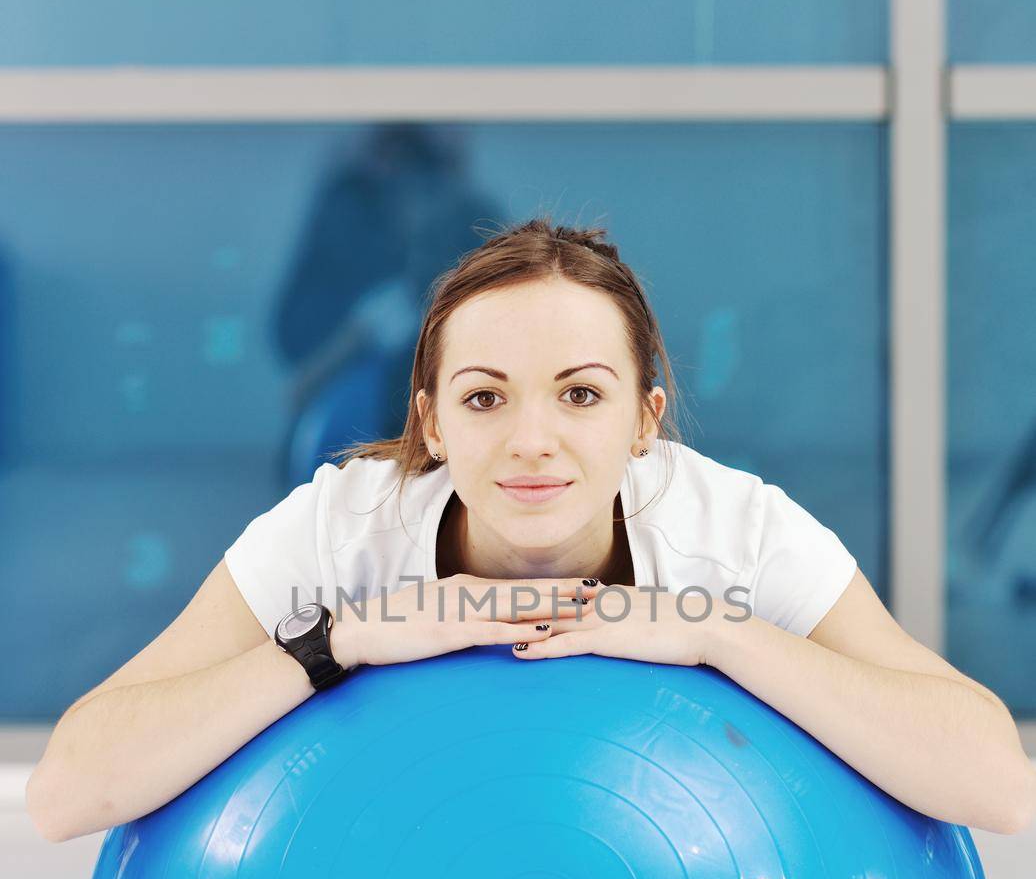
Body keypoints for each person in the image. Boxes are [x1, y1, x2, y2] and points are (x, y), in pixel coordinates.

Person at [27, 218, 1036, 843]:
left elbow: (999, 782)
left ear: (646, 419)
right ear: (428, 420)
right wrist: (342, 641)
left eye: (580, 394)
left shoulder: (734, 530)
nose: (531, 442)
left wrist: (716, 633)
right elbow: (66, 790)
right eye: (483, 398)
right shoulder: (343, 528)